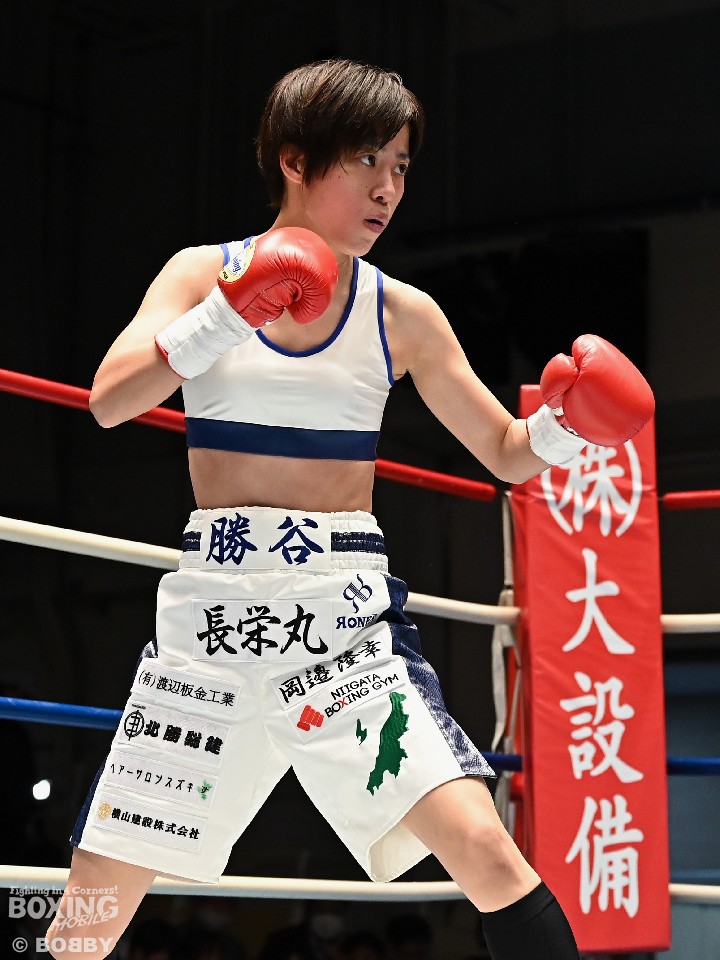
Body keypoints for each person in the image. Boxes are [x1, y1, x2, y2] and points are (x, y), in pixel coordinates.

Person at [45, 59, 654, 960]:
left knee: (488, 852)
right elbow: (110, 398)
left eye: (401, 165)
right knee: (88, 916)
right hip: (211, 628)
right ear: (295, 160)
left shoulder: (402, 313)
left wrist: (568, 427)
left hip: (342, 627)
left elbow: (504, 450)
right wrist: (228, 313)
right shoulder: (201, 274)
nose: (388, 188)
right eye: (367, 158)